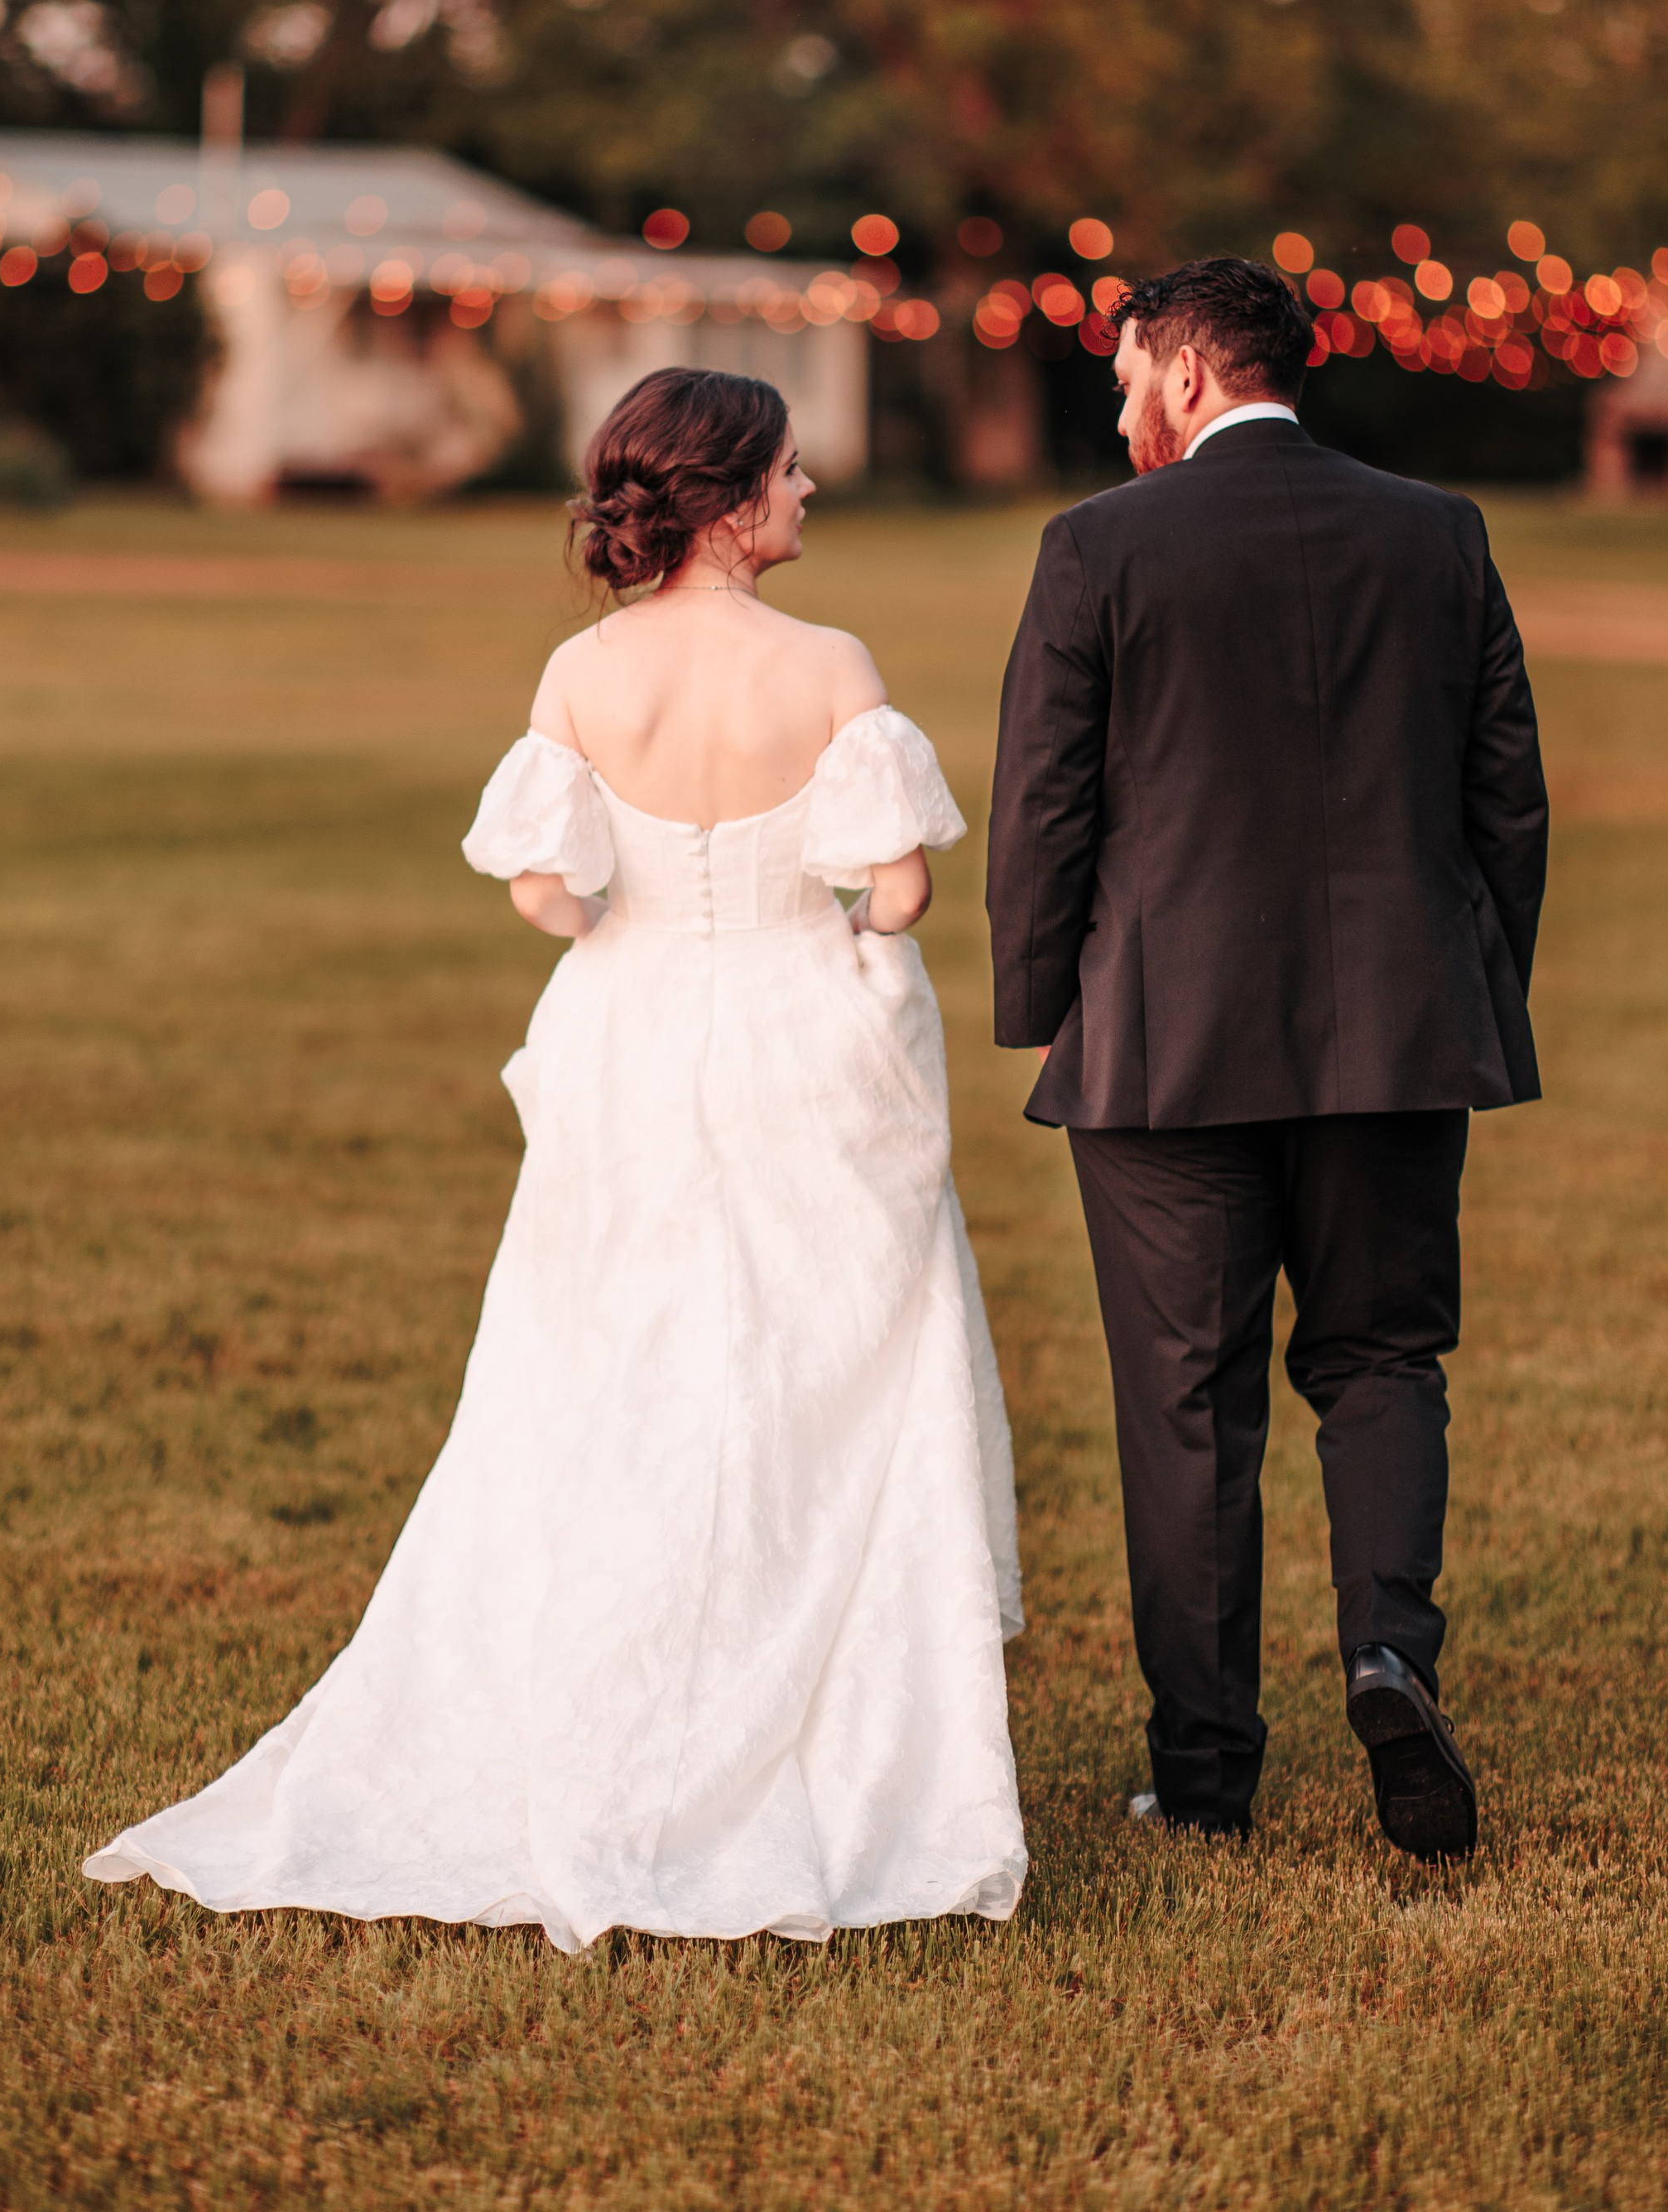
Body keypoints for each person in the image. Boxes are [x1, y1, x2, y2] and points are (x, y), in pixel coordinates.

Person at [87, 367, 1026, 1950]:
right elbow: (903, 889)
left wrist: (621, 929)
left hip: (632, 1028)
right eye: (791, 472)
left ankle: (609, 1685)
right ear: (729, 503)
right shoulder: (831, 664)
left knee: (611, 1358)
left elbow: (541, 892)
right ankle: (816, 1720)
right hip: (801, 1031)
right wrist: (851, 942)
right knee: (822, 1361)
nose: (809, 492)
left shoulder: (582, 673)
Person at [987, 258, 1546, 1859]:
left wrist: (1046, 1004)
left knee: (1185, 1401)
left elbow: (1043, 805)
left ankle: (1205, 1776)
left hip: (1164, 1041)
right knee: (1383, 1361)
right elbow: (1506, 797)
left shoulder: (1098, 544)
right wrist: (1464, 992)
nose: (1118, 416)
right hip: (1401, 1029)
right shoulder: (1439, 532)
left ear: (1182, 372)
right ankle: (1388, 1658)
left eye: (1123, 381)